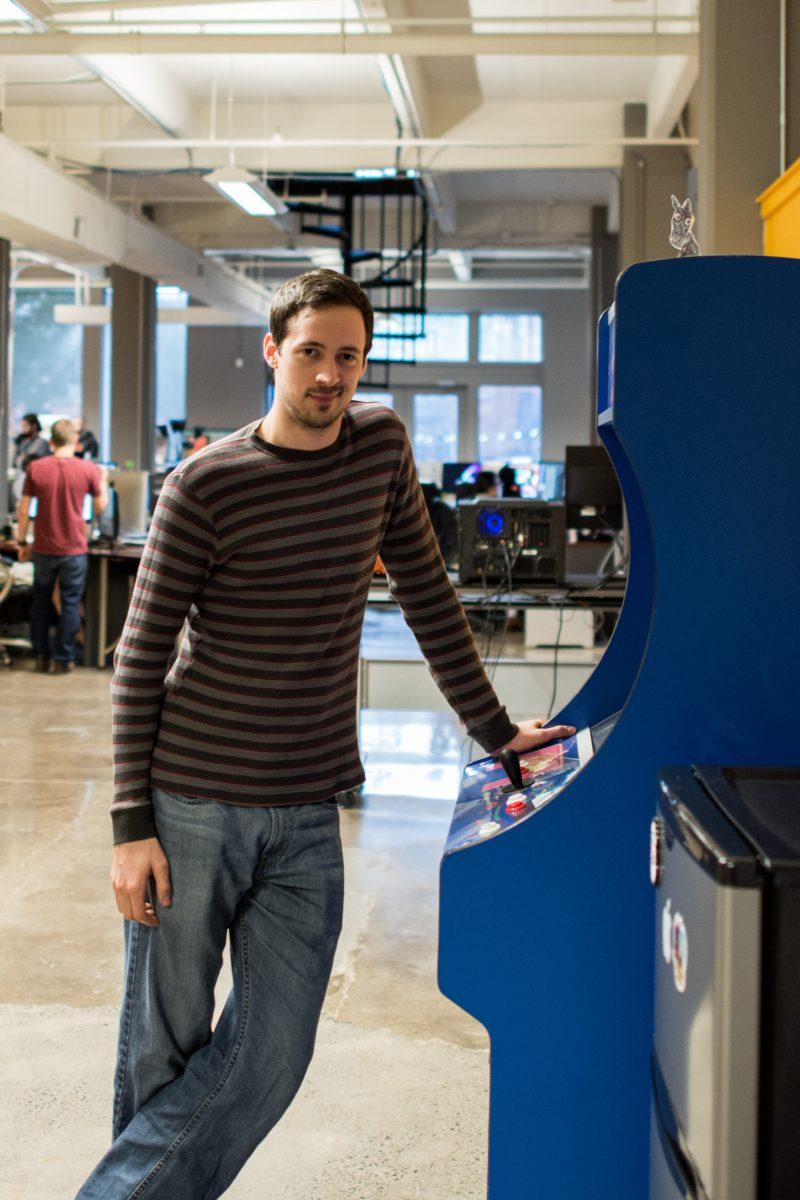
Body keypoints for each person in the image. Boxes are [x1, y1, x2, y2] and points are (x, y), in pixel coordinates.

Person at [76, 270, 575, 1198]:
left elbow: (427, 597)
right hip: (190, 803)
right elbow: (139, 659)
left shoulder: (380, 448)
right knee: (167, 1040)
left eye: (349, 356)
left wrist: (497, 731)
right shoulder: (205, 485)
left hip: (307, 808)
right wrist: (128, 825)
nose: (330, 376)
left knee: (275, 1046)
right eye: (311, 353)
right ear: (273, 353)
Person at [16, 419, 108, 673]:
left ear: (51, 441)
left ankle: (41, 655)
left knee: (40, 602)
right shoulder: (87, 469)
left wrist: (22, 541)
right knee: (69, 603)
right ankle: (63, 659)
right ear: (74, 441)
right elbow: (100, 507)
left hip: (44, 548)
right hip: (74, 549)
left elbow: (23, 509)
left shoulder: (35, 468)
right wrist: (104, 480)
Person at [11, 413, 50, 504]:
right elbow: (16, 461)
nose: (23, 429)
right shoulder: (23, 442)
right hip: (21, 478)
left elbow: (28, 459)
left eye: (25, 426)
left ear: (34, 426)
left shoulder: (41, 443)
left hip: (33, 480)